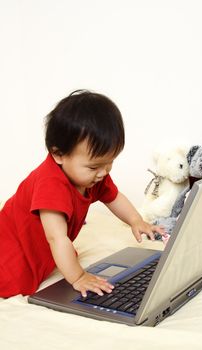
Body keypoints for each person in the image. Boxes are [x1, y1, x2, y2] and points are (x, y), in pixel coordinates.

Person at [0, 89, 164, 298]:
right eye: (94, 167)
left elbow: (113, 197)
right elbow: (57, 238)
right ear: (58, 154)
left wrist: (136, 220)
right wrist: (78, 277)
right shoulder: (50, 184)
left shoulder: (94, 175)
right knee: (12, 283)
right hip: (10, 249)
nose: (103, 173)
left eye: (110, 163)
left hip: (39, 251)